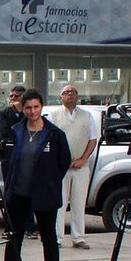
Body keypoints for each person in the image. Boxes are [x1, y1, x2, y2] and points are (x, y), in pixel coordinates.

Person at [0, 90, 71, 261]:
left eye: (35, 107)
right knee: (14, 238)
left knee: (48, 238)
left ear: (42, 107)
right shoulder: (15, 131)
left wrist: (50, 181)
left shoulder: (54, 134)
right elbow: (7, 158)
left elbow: (63, 162)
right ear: (23, 108)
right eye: (28, 107)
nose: (32, 111)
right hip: (19, 193)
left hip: (44, 194)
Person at [44, 84, 100, 249]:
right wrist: (59, 160)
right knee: (59, 203)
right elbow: (49, 140)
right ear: (61, 97)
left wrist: (83, 159)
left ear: (77, 96)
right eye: (66, 92)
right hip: (60, 167)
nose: (70, 95)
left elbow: (93, 139)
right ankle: (57, 238)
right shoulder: (53, 116)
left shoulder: (87, 116)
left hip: (80, 165)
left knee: (79, 202)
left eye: (73, 92)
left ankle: (78, 237)